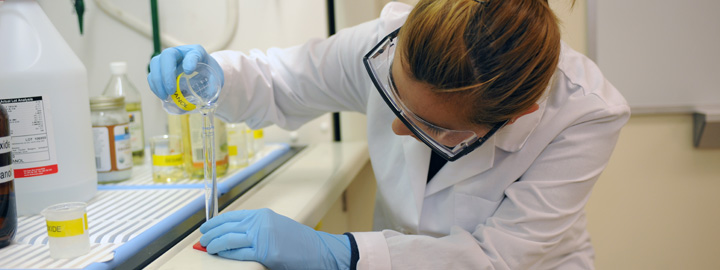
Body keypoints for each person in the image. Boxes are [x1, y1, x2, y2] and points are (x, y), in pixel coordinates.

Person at [148, 0, 629, 269]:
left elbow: (494, 258)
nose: (398, 127)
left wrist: (343, 254)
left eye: (435, 126)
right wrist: (215, 79)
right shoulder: (387, 40)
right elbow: (281, 81)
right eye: (395, 98)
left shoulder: (585, 114)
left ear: (518, 115)